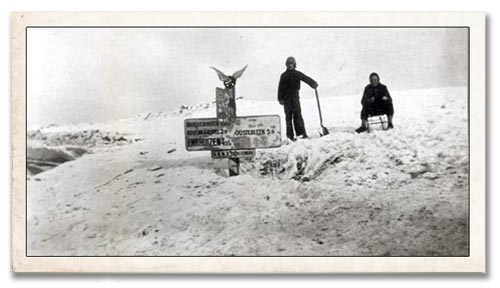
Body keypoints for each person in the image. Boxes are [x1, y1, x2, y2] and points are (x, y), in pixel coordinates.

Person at [277, 56, 318, 141]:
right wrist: (280, 98)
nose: (290, 65)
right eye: (288, 64)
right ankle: (290, 136)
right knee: (288, 117)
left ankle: (302, 133)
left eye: (291, 64)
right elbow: (280, 87)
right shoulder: (283, 75)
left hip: (295, 96)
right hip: (286, 98)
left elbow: (305, 78)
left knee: (298, 115)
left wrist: (313, 83)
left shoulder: (297, 73)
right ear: (286, 65)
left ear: (294, 65)